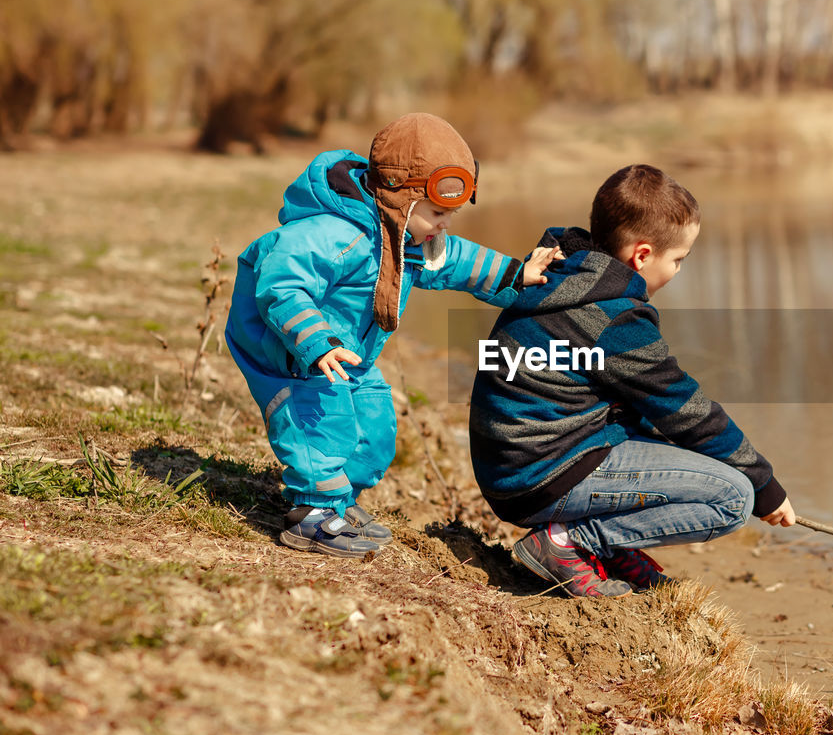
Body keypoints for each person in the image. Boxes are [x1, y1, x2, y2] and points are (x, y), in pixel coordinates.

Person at [226, 113, 560, 558]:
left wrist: (517, 274)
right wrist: (314, 341)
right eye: (439, 213)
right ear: (401, 198)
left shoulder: (404, 235)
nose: (444, 226)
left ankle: (340, 502)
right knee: (322, 424)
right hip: (293, 350)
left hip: (348, 356)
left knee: (376, 429)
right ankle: (312, 514)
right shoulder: (332, 233)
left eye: (450, 215)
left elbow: (456, 262)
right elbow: (281, 285)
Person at [469, 164, 795, 597]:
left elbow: (640, 405)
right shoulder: (612, 315)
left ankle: (607, 545)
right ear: (642, 256)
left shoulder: (562, 275)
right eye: (678, 259)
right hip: (540, 474)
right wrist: (765, 485)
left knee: (695, 453)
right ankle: (568, 543)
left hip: (516, 464)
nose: (679, 271)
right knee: (732, 497)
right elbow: (685, 409)